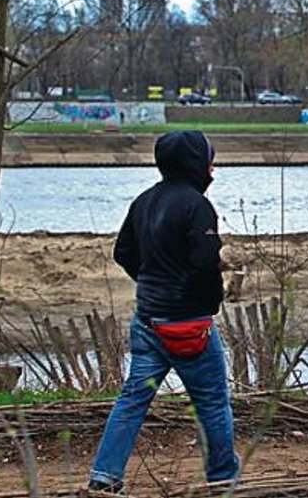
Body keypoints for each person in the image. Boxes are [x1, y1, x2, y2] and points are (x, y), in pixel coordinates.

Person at [88, 130, 238, 492]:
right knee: (213, 403)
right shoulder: (197, 206)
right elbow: (204, 263)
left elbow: (123, 252)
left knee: (132, 400)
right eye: (210, 159)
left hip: (148, 320)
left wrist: (151, 280)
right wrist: (208, 301)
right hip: (190, 327)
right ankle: (222, 480)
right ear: (197, 163)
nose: (213, 167)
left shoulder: (144, 201)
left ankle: (104, 477)